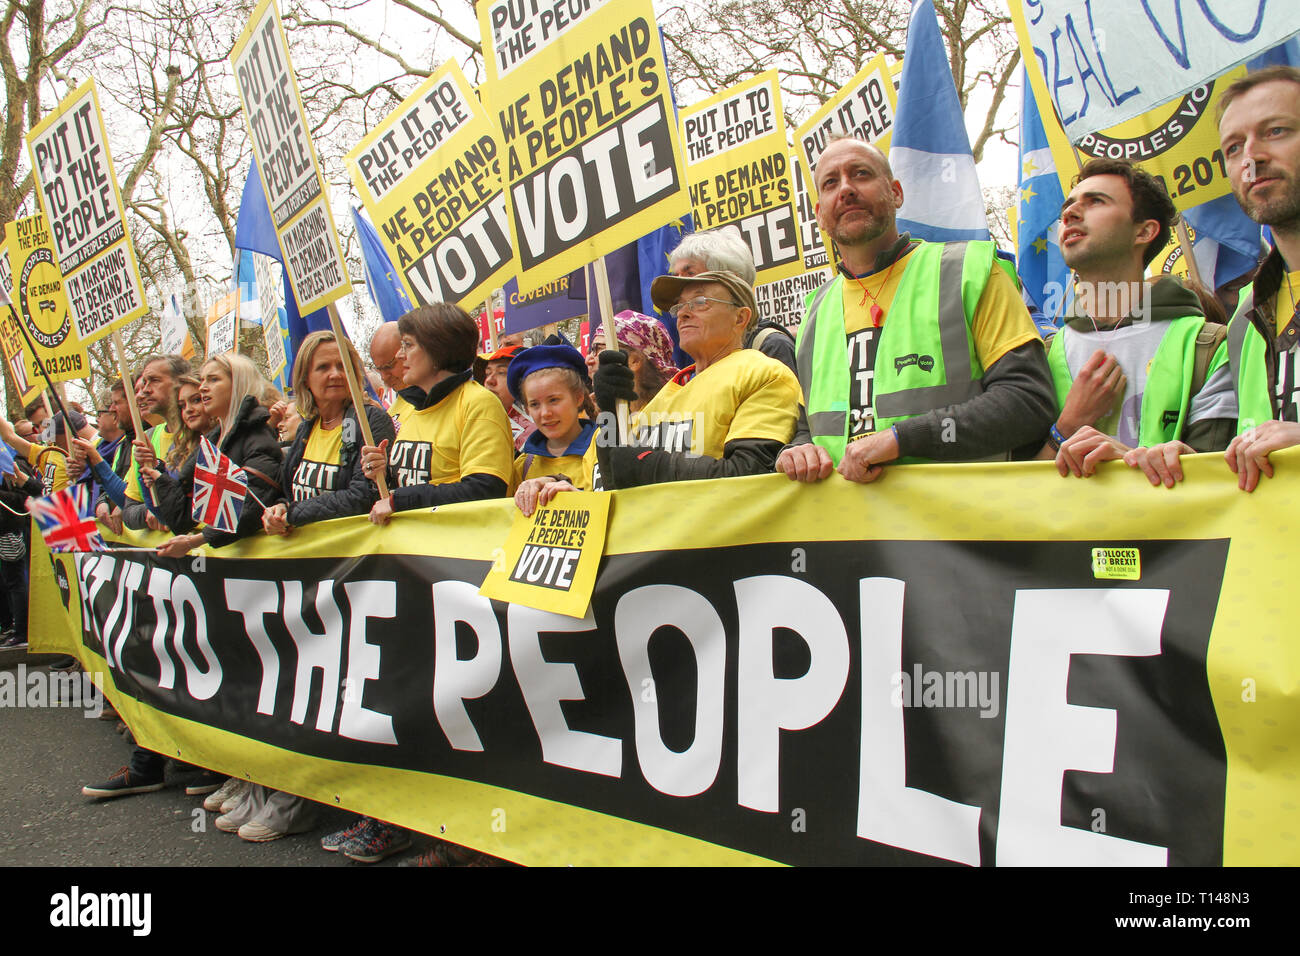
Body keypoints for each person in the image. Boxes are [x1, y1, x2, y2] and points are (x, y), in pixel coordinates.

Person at [776, 136, 1056, 484]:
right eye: (830, 183)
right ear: (819, 214)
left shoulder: (971, 270)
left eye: (861, 174)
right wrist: (799, 449)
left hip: (962, 528)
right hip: (849, 531)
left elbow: (1029, 403)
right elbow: (809, 428)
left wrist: (902, 439)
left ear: (896, 193)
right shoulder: (814, 313)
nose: (845, 189)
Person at [1042, 158, 1237, 485]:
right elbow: (1012, 488)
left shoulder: (1212, 345)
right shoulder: (1041, 352)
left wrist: (1124, 463)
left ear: (1145, 231)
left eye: (1096, 202)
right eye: (1069, 206)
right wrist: (1067, 426)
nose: (1070, 214)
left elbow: (1223, 488)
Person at [589, 270, 800, 488]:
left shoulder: (764, 374)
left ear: (740, 318)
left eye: (700, 302)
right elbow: (617, 481)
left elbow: (752, 475)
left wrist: (653, 466)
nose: (682, 314)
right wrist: (611, 416)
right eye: (679, 306)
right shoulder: (668, 391)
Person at [1217, 65, 1300, 491]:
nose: (1251, 157)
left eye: (1276, 131)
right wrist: (1169, 463)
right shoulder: (1244, 317)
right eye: (1234, 148)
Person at [361, 303, 513, 527]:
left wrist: (399, 501)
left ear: (437, 350)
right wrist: (383, 473)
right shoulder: (412, 409)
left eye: (408, 345)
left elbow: (485, 489)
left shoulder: (478, 403)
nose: (400, 355)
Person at [144, 353, 281, 557]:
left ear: (238, 384)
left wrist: (195, 541)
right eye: (203, 380)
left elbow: (250, 508)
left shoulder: (258, 438)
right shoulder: (210, 443)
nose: (203, 387)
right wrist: (158, 476)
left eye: (214, 379)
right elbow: (182, 518)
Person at [669, 226, 797, 372]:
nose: (681, 313)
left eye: (690, 273)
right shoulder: (699, 358)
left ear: (734, 282)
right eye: (679, 305)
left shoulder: (770, 347)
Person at [509, 343, 600, 515]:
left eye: (554, 400)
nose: (545, 413)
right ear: (527, 410)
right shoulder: (523, 466)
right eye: (534, 404)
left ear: (579, 397)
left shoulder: (602, 447)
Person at [585, 311, 677, 412]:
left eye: (598, 349)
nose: (588, 360)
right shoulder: (606, 425)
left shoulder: (670, 417)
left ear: (634, 360)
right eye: (590, 351)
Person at [475, 343, 536, 450]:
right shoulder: (476, 425)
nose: (489, 381)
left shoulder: (548, 432)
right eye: (488, 373)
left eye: (502, 372)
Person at [369, 321, 415, 433]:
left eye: (389, 366)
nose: (384, 377)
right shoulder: (391, 412)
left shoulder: (438, 398)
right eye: (379, 369)